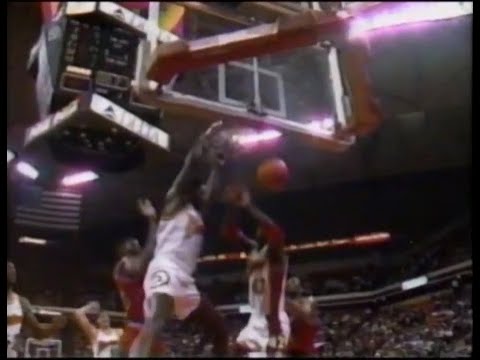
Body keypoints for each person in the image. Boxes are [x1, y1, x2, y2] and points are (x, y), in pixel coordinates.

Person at [129, 122, 229, 357]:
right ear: (193, 189)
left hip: (184, 278)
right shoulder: (174, 201)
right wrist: (204, 138)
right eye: (202, 188)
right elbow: (190, 164)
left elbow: (211, 192)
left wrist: (217, 167)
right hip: (165, 267)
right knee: (154, 324)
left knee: (219, 329)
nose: (206, 191)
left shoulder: (197, 211)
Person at [222, 184, 290, 357]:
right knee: (234, 350)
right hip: (256, 318)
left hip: (274, 320)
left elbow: (275, 232)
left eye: (263, 225)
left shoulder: (276, 254)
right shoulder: (253, 249)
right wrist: (233, 207)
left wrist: (248, 206)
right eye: (260, 225)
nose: (261, 227)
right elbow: (230, 232)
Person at [113, 198, 168, 356]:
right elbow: (147, 255)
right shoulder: (123, 265)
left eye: (137, 243)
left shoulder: (140, 266)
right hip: (135, 329)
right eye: (132, 244)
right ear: (123, 252)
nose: (136, 243)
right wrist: (152, 220)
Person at [7, 261, 66, 358]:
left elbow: (38, 331)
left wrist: (54, 327)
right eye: (8, 268)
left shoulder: (22, 302)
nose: (12, 270)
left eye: (13, 268)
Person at [285, 277, 320, 357]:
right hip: (294, 349)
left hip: (304, 349)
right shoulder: (290, 314)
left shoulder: (309, 302)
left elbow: (302, 312)